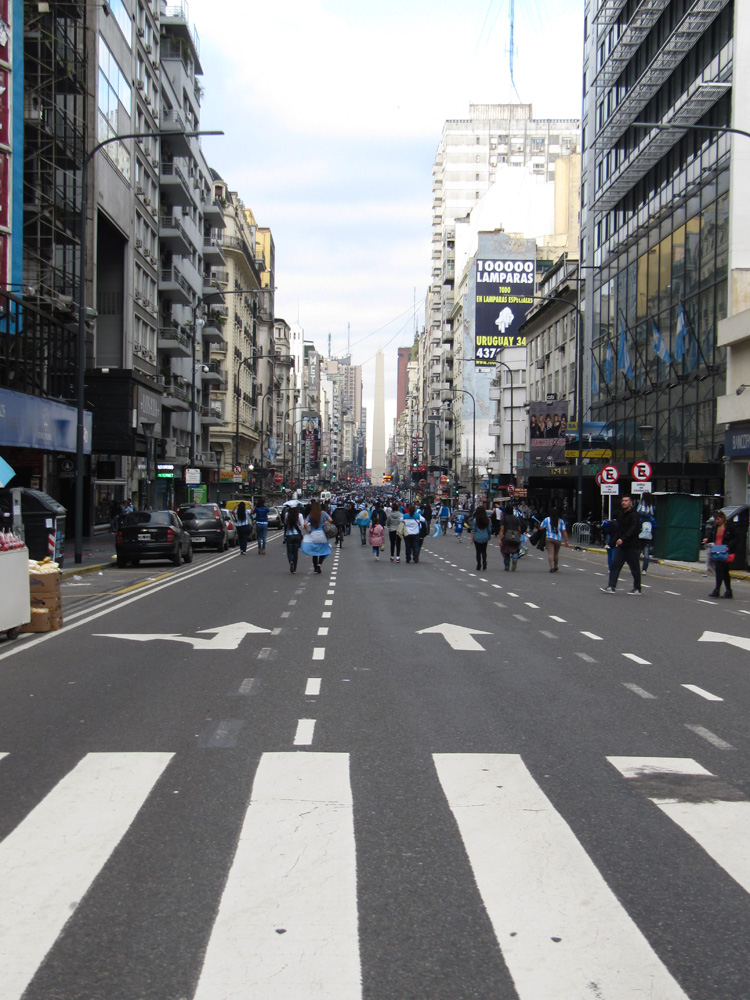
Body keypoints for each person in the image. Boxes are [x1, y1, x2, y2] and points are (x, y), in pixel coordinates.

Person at [600, 495, 642, 595]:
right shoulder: (621, 515)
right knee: (615, 565)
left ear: (631, 502)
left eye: (626, 501)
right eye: (623, 501)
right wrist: (613, 541)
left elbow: (633, 529)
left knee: (634, 567)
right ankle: (611, 586)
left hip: (631, 545)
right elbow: (618, 529)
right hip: (621, 546)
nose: (624, 502)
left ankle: (637, 588)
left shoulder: (634, 515)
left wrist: (623, 539)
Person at [703, 510, 735, 599]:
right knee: (725, 572)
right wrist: (707, 540)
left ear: (723, 518)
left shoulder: (729, 527)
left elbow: (735, 538)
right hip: (717, 551)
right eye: (715, 519)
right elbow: (711, 538)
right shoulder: (715, 528)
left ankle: (717, 590)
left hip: (725, 551)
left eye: (718, 519)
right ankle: (728, 591)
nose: (717, 521)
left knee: (719, 569)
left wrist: (729, 546)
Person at [301, 500, 332, 574]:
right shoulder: (323, 513)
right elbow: (331, 520)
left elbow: (305, 524)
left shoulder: (311, 515)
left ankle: (315, 568)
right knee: (324, 549)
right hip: (322, 534)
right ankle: (319, 564)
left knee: (315, 552)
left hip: (313, 534)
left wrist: (307, 530)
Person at [499, 503, 523, 571]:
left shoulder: (504, 518)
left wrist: (500, 539)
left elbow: (502, 529)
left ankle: (507, 565)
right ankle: (515, 559)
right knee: (515, 549)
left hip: (506, 536)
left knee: (506, 551)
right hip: (515, 536)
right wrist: (519, 535)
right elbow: (519, 528)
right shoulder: (516, 518)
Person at [282, 500, 304, 573]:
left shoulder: (287, 515)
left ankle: (291, 561)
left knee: (289, 552)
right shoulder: (299, 515)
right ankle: (294, 568)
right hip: (297, 535)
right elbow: (303, 525)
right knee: (295, 552)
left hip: (289, 535)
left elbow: (285, 523)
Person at [637, 493, 655, 574]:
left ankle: (636, 567)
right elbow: (652, 513)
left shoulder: (642, 504)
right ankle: (644, 569)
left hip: (640, 533)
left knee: (638, 552)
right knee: (646, 554)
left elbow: (638, 511)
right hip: (648, 534)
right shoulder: (651, 505)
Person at [470, 506, 491, 571]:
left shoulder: (475, 520)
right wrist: (489, 536)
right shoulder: (487, 520)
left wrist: (472, 538)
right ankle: (484, 563)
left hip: (477, 537)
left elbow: (473, 530)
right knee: (484, 551)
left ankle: (479, 565)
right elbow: (489, 529)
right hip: (485, 537)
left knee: (478, 552)